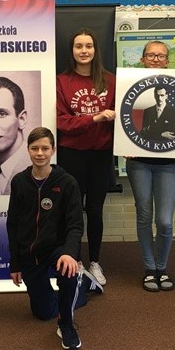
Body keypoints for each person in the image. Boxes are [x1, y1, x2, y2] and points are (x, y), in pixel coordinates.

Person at [7, 127, 103, 350]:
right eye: (34, 148)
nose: (40, 153)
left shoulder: (67, 182)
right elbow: (13, 224)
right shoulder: (19, 182)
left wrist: (69, 253)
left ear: (53, 150)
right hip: (31, 252)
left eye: (44, 148)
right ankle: (85, 284)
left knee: (67, 273)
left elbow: (75, 225)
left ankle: (66, 324)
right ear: (28, 150)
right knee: (43, 313)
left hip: (58, 248)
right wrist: (15, 262)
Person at [56, 28, 115, 286]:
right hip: (72, 155)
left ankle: (95, 262)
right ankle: (76, 261)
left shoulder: (110, 81)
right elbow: (62, 122)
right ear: (72, 51)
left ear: (95, 50)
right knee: (72, 211)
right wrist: (94, 118)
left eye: (88, 46)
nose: (84, 50)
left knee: (95, 209)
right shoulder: (61, 81)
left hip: (101, 155)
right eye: (78, 46)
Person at [126, 41, 175, 292]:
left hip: (167, 164)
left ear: (167, 60)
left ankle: (162, 266)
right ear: (143, 59)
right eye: (151, 55)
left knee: (165, 221)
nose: (156, 59)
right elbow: (134, 128)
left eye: (161, 56)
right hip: (138, 164)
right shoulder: (135, 96)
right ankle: (150, 269)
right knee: (144, 216)